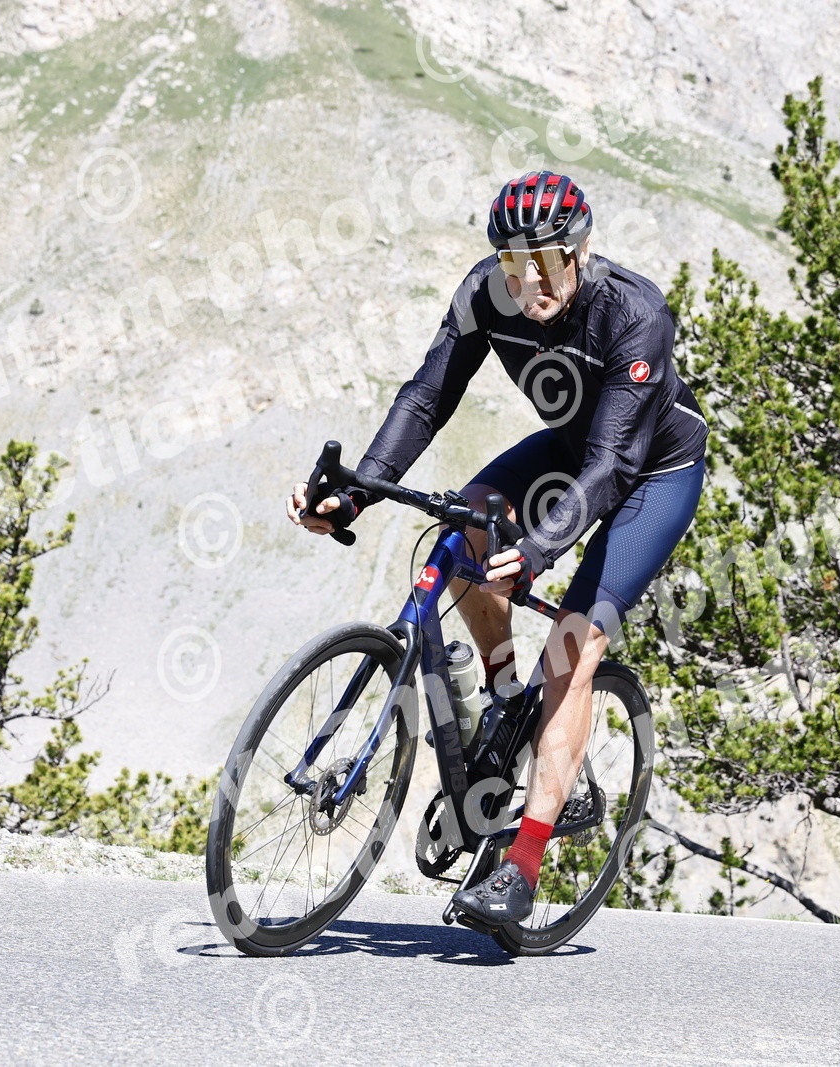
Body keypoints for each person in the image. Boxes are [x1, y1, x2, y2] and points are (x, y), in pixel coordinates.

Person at [286, 171, 707, 925]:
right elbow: (426, 399)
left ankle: (522, 867)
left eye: (544, 262)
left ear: (580, 251)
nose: (528, 281)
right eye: (514, 263)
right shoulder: (485, 293)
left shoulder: (632, 312)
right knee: (459, 535)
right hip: (570, 453)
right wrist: (354, 494)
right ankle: (506, 695)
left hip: (653, 473)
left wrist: (539, 548)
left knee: (572, 649)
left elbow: (614, 464)